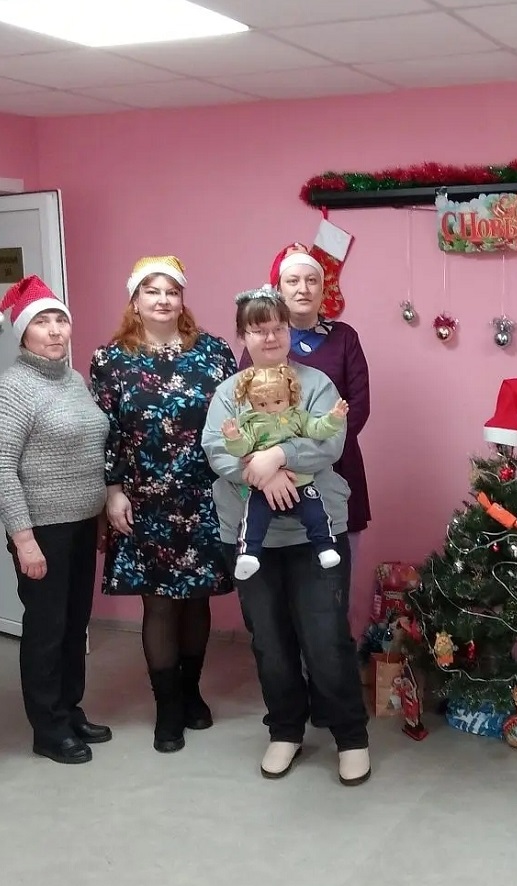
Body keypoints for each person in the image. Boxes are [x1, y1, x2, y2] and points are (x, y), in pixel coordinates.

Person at [204, 287, 370, 786]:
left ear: (289, 331)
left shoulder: (316, 383)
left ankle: (350, 735)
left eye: (278, 327)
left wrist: (281, 456)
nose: (270, 336)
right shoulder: (228, 392)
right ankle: (285, 730)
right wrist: (263, 474)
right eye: (259, 329)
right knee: (270, 641)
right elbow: (217, 448)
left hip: (316, 533)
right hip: (251, 539)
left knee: (325, 637)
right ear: (244, 335)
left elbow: (330, 440)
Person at [90, 256, 237, 753]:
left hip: (204, 494)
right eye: (151, 291)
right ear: (135, 301)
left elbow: (235, 419)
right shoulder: (111, 359)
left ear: (182, 299)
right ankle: (167, 708)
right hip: (144, 500)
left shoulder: (214, 352)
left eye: (171, 291)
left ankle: (192, 694)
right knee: (158, 603)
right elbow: (106, 431)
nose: (162, 299)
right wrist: (112, 491)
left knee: (197, 599)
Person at [0, 276, 110, 764]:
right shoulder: (14, 388)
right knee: (46, 629)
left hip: (81, 523)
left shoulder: (73, 380)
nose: (55, 331)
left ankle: (69, 710)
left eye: (60, 320)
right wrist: (24, 538)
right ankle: (48, 727)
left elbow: (89, 449)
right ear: (23, 333)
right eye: (42, 322)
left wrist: (98, 514)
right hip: (41, 530)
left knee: (75, 625)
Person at [243, 243, 371, 563]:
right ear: (278, 289)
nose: (303, 289)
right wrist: (280, 458)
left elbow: (358, 406)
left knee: (334, 567)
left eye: (311, 280)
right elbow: (243, 403)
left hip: (335, 463)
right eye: (293, 281)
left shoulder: (344, 338)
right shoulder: (261, 340)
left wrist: (313, 450)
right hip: (274, 474)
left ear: (322, 289)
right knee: (276, 564)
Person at [220, 362, 348, 579]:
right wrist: (234, 438)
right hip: (262, 487)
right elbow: (241, 450)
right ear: (251, 402)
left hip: (301, 482)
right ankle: (248, 555)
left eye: (278, 402)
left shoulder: (298, 417)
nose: (271, 409)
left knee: (316, 514)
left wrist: (333, 418)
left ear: (289, 397)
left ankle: (325, 547)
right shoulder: (250, 423)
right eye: (262, 404)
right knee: (253, 519)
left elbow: (318, 431)